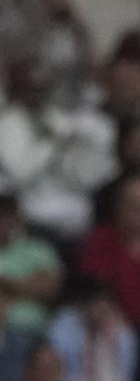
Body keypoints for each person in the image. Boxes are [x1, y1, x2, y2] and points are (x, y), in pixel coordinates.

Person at [0, 55, 110, 242]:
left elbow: (77, 174)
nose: (37, 95)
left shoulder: (55, 118)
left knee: (86, 208)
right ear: (16, 89)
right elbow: (19, 173)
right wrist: (51, 145)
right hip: (25, 202)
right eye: (31, 89)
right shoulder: (7, 123)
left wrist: (80, 150)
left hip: (63, 198)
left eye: (43, 88)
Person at [79, 175, 140, 328]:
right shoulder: (100, 240)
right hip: (109, 327)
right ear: (118, 206)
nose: (138, 211)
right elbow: (95, 291)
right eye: (132, 204)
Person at [0, 190, 62, 381]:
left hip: (39, 329)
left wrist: (7, 285)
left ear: (19, 217)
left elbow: (50, 288)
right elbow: (39, 286)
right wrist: (30, 283)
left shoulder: (38, 249)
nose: (4, 221)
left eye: (9, 214)